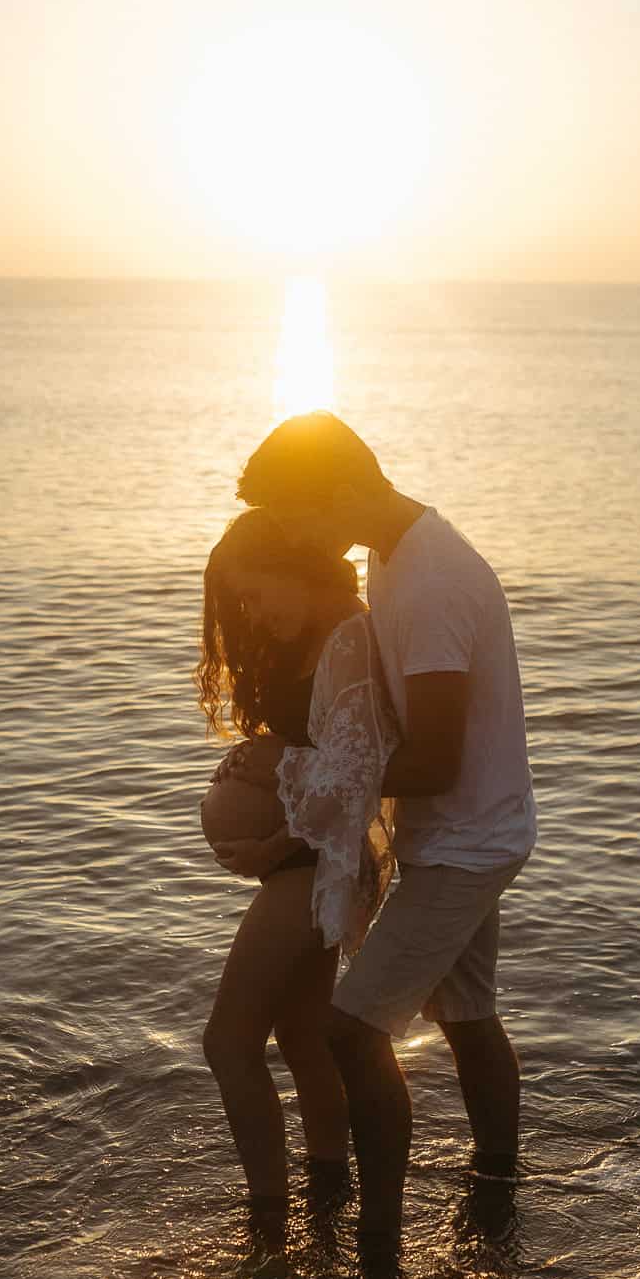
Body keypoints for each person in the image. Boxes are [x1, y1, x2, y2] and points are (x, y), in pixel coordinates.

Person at [220, 414, 536, 1265]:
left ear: (343, 492)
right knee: (467, 1016)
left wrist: (298, 773)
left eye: (297, 518)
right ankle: (497, 1192)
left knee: (348, 1033)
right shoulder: (398, 554)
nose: (296, 540)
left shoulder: (430, 584)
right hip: (470, 829)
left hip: (465, 838)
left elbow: (433, 760)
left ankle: (378, 1245)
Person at [196, 506, 398, 1240]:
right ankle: (327, 1190)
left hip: (317, 860)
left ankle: (267, 1224)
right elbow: (311, 745)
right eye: (240, 601)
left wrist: (269, 844)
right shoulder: (313, 636)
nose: (252, 612)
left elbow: (358, 774)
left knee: (228, 1042)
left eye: (257, 593)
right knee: (299, 1034)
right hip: (300, 855)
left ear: (294, 570)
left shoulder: (349, 636)